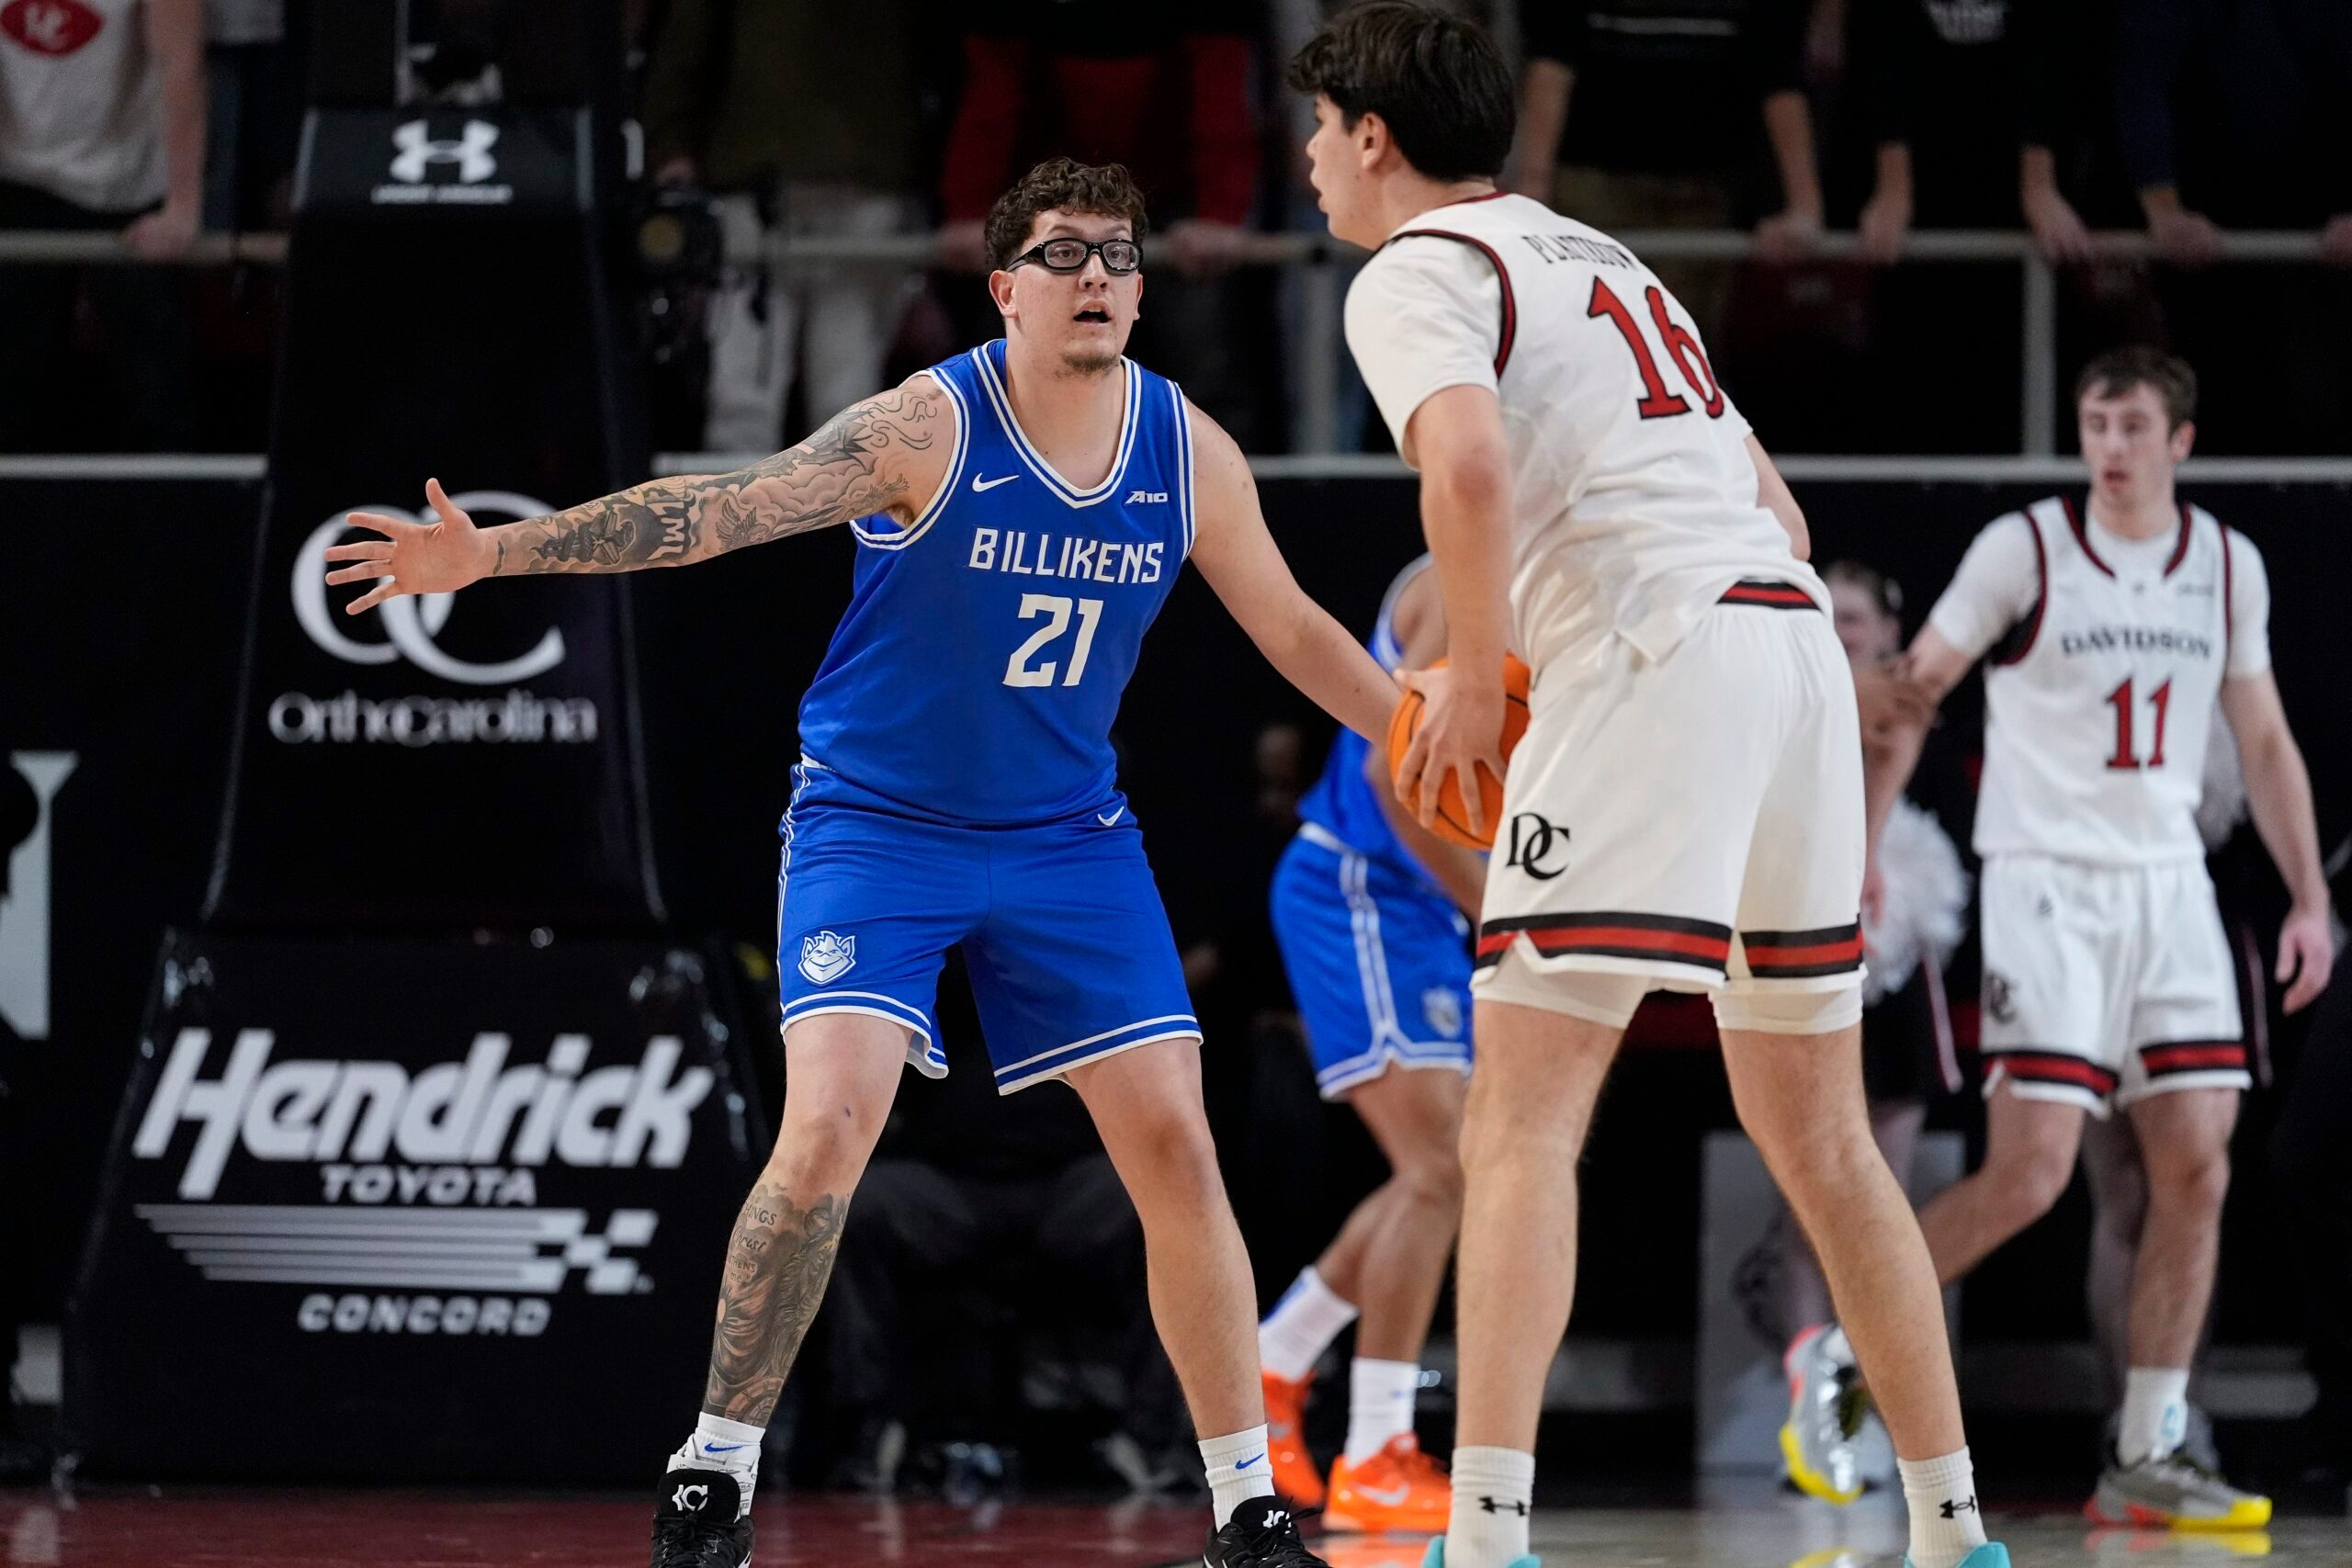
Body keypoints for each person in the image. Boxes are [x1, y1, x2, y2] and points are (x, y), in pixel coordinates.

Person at [325, 157, 1396, 1568]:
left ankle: (1250, 1508)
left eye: (1120, 257)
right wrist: (494, 556)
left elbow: (1295, 626)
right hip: (877, 825)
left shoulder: (1187, 446)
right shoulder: (925, 427)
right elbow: (715, 509)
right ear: (1004, 285)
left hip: (1067, 834)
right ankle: (712, 1469)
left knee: (1177, 1145)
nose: (1096, 277)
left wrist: (1426, 732)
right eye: (1065, 255)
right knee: (827, 1131)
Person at [1288, 9, 2001, 1568]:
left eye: (1320, 131)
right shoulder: (1610, 260)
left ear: (1375, 138)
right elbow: (1786, 515)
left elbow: (1464, 472)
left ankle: (1482, 1532)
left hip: (1650, 652)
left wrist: (1480, 668)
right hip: (1787, 647)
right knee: (1823, 1137)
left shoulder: (1416, 269)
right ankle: (1956, 1527)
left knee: (1524, 1123)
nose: (1310, 161)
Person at [1802, 345, 2335, 1529]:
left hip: (2171, 888)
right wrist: (1867, 851)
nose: (2111, 445)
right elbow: (1909, 697)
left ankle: (2146, 1447)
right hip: (2047, 885)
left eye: (2134, 425)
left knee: (2197, 1164)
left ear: (2180, 442)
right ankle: (1837, 1350)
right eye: (2097, 422)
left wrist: (2307, 898)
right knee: (2031, 1177)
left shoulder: (2226, 566)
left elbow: (2264, 738)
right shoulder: (2024, 549)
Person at [1260, 555, 1486, 1532]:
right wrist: (1491, 905)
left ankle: (1274, 1363)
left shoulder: (1558, 568)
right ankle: (1375, 1450)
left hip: (1422, 901)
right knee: (1440, 1171)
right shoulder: (1467, 574)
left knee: (1451, 1172)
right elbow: (1400, 775)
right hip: (1363, 885)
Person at [1739, 561, 1969, 1418]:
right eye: (1828, 616)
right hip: (1798, 948)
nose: (1844, 633)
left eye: (1860, 620)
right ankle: (1810, 1398)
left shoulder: (1912, 716)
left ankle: (1869, 1407)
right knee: (1807, 1193)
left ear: (1890, 630)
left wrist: (1870, 850)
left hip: (1896, 975)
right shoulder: (1783, 703)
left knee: (1882, 1193)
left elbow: (1948, 849)